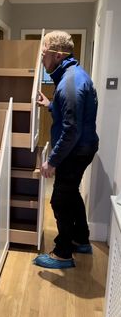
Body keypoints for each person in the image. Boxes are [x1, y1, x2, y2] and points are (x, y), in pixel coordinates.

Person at [33, 30, 99, 269]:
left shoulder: (69, 82)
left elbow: (71, 130)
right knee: (71, 194)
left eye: (44, 52)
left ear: (58, 55)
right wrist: (51, 105)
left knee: (60, 199)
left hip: (76, 150)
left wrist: (52, 161)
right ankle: (81, 239)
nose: (41, 57)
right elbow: (73, 116)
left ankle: (63, 253)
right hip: (83, 147)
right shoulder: (72, 76)